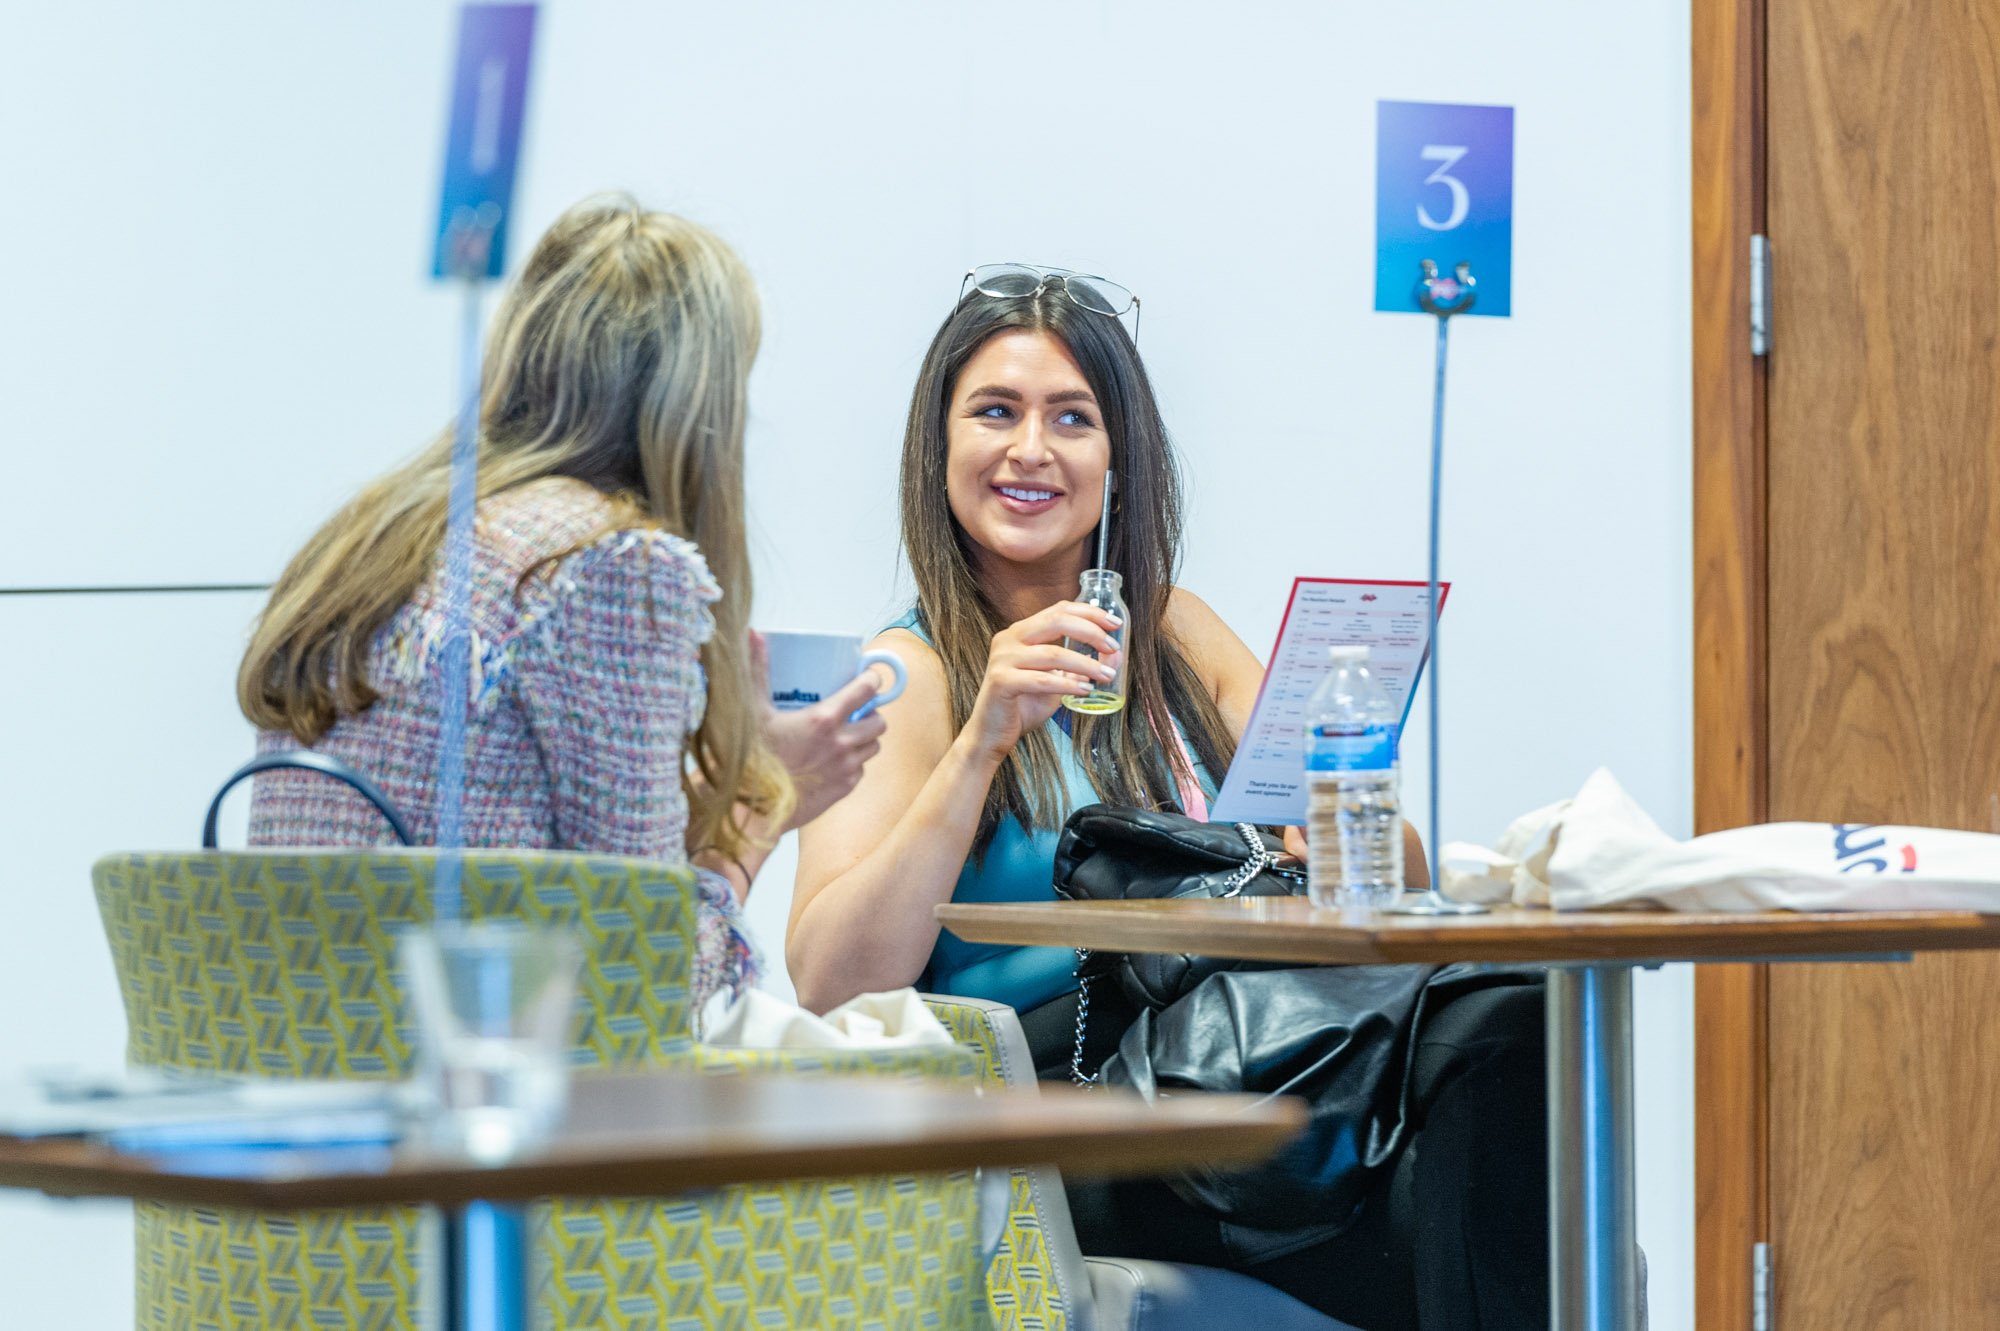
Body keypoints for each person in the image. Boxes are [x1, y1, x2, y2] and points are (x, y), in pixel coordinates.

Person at [790, 266, 1547, 1329]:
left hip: (1239, 1053)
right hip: (1063, 1104)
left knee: (1507, 1015)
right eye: (994, 412)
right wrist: (981, 741)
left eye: (1072, 418)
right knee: (1455, 1220)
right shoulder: (909, 677)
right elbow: (830, 978)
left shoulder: (1176, 636)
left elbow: (1398, 884)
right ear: (940, 447)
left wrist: (1334, 823)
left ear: (1118, 457)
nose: (1029, 450)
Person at [237, 195, 884, 1010]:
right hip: (473, 1090)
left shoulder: (365, 541)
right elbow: (653, 987)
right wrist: (757, 809)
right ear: (701, 408)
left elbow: (500, 841)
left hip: (299, 1075)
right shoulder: (613, 567)